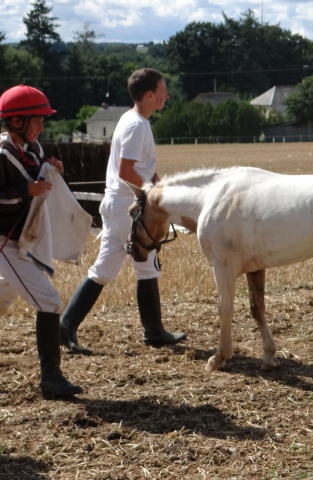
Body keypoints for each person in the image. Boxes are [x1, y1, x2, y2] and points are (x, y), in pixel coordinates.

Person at [60, 68, 186, 355]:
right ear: (149, 95)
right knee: (146, 263)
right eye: (163, 91)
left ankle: (65, 327)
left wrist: (159, 183)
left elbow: (142, 166)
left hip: (118, 204)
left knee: (104, 268)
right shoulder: (136, 125)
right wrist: (149, 197)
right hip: (126, 206)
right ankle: (153, 332)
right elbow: (126, 170)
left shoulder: (135, 121)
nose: (166, 95)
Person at [0, 84, 83, 396]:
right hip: (5, 242)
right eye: (38, 120)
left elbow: (39, 176)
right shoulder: (2, 155)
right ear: (17, 122)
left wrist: (53, 169)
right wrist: (26, 191)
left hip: (23, 239)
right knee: (49, 301)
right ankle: (51, 379)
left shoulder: (33, 149)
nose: (42, 126)